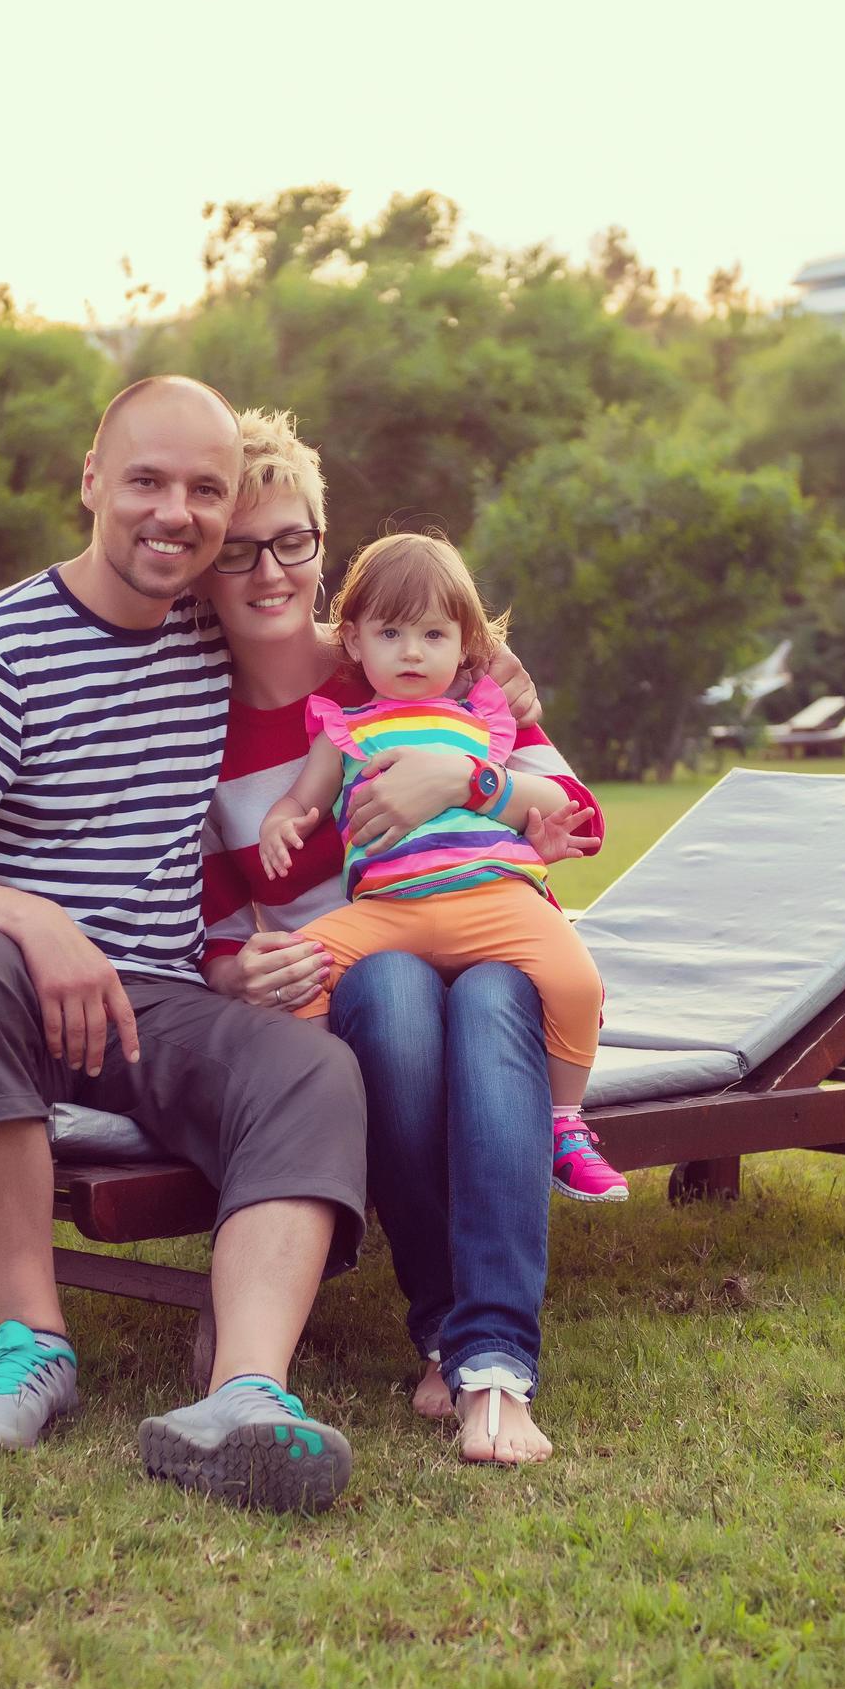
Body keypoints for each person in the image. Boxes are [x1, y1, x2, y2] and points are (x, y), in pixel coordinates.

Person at [0, 375, 366, 1515]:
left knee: (311, 1066)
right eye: (145, 480)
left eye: (204, 491)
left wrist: (496, 681)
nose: (173, 512)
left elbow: (353, 644)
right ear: (91, 481)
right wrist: (42, 921)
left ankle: (242, 1394)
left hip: (154, 1001)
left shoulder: (209, 627)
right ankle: (32, 1339)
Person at [195, 410, 603, 1464]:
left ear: (324, 551)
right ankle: (453, 1336)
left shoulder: (421, 652)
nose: (270, 571)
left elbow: (579, 820)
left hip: (492, 942)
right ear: (202, 563)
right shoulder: (191, 723)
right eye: (236, 550)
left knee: (490, 997)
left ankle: (491, 1363)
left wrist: (467, 778)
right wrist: (242, 969)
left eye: (293, 542)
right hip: (344, 985)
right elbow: (203, 926)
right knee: (396, 993)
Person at [254, 532, 625, 1207]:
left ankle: (565, 1126)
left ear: (463, 646)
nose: (412, 651)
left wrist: (531, 828)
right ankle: (326, 1116)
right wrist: (282, 820)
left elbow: (545, 802)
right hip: (388, 911)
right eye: (390, 633)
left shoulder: (484, 719)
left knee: (578, 980)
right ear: (355, 643)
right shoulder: (343, 729)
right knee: (296, 967)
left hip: (492, 897)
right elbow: (301, 798)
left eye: (432, 633)